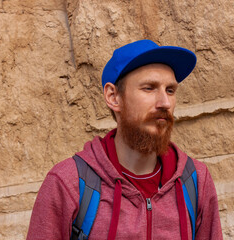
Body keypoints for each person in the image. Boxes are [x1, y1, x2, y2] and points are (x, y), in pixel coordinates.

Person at [26, 40, 223, 240]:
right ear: (113, 97)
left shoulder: (195, 180)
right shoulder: (69, 184)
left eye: (170, 90)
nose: (165, 103)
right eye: (149, 88)